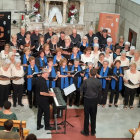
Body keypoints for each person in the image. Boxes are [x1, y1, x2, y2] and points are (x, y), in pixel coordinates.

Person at [80, 69, 102, 136]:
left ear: (90, 74)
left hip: (87, 100)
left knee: (86, 116)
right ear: (95, 74)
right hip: (94, 100)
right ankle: (93, 131)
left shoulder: (86, 81)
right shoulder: (98, 81)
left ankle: (86, 132)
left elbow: (81, 89)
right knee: (93, 116)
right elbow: (100, 91)